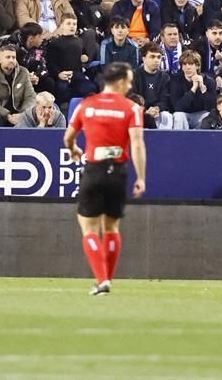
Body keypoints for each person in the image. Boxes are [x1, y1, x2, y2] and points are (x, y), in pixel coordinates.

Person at [62, 61, 147, 296]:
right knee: (111, 227)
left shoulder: (87, 105)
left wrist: (73, 150)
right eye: (129, 82)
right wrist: (141, 177)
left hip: (94, 169)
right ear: (119, 82)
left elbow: (68, 137)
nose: (130, 86)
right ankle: (107, 278)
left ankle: (101, 279)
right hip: (118, 171)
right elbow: (138, 143)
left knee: (88, 228)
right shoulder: (131, 108)